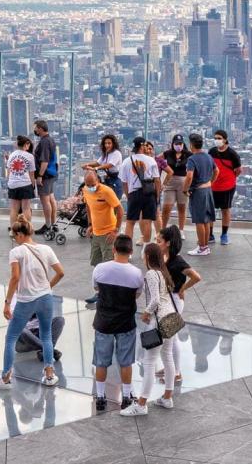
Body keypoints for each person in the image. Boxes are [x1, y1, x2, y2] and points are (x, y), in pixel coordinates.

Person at [0, 223, 63, 391]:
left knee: (11, 338)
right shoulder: (46, 249)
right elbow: (61, 272)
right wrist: (47, 287)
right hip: (45, 298)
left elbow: (15, 277)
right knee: (46, 335)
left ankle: (6, 377)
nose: (14, 239)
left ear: (20, 234)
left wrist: (7, 303)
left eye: (14, 236)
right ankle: (49, 374)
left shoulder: (16, 252)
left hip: (26, 299)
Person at [120, 243, 177, 416]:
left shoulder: (152, 273)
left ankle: (142, 404)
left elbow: (155, 300)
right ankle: (167, 397)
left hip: (159, 320)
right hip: (172, 317)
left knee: (149, 361)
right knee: (167, 357)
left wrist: (146, 312)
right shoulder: (163, 271)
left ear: (147, 256)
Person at [91, 234, 143, 412]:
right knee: (126, 362)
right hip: (126, 323)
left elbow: (96, 289)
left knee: (101, 361)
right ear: (131, 251)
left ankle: (100, 396)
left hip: (103, 322)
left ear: (113, 249)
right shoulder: (136, 273)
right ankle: (127, 396)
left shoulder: (100, 268)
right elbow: (137, 294)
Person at [157, 225, 200, 385]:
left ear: (168, 243)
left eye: (159, 241)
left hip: (174, 302)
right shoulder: (165, 257)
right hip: (168, 301)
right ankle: (173, 369)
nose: (157, 243)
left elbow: (196, 277)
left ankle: (175, 373)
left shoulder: (178, 261)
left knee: (170, 339)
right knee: (172, 339)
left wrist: (183, 288)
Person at [82, 171, 124, 303]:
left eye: (92, 184)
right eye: (88, 184)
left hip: (108, 233)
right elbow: (88, 207)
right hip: (96, 233)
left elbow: (120, 209)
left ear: (98, 181)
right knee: (97, 264)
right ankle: (100, 293)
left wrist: (115, 230)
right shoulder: (85, 190)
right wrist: (90, 225)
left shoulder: (107, 191)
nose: (90, 187)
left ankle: (110, 295)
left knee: (109, 265)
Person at [118, 137, 160, 246]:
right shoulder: (151, 160)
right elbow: (157, 180)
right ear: (142, 146)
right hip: (149, 193)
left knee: (130, 222)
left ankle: (128, 249)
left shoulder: (126, 161)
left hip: (133, 193)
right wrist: (158, 195)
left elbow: (124, 182)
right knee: (147, 221)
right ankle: (146, 247)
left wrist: (128, 196)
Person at [183, 134, 217, 256]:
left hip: (198, 192)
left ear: (191, 145)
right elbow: (216, 171)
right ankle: (205, 246)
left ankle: (202, 247)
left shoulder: (192, 159)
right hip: (208, 190)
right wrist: (210, 182)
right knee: (206, 220)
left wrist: (185, 189)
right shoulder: (208, 156)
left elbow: (189, 176)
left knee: (199, 221)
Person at [208, 130, 242, 246]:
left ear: (225, 139)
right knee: (210, 210)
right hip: (213, 186)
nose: (217, 140)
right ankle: (210, 234)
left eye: (219, 138)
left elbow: (238, 170)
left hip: (227, 187)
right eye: (215, 138)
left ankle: (224, 234)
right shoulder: (212, 152)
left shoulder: (232, 154)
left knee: (225, 210)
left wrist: (229, 178)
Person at [33, 121, 60, 237]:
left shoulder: (44, 142)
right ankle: (54, 224)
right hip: (52, 173)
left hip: (46, 175)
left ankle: (48, 225)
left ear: (40, 128)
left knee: (45, 200)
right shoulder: (50, 139)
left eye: (35, 128)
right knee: (51, 198)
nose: (35, 130)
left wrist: (39, 176)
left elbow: (44, 161)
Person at [4, 135, 37, 230]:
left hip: (13, 184)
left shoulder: (12, 155)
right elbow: (32, 174)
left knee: (14, 208)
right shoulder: (30, 156)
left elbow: (9, 172)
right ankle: (26, 229)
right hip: (25, 184)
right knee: (26, 208)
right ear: (26, 144)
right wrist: (33, 185)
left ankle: (13, 230)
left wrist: (10, 181)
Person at [159, 134, 190, 230]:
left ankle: (181, 230)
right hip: (170, 182)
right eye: (176, 144)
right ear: (173, 144)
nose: (178, 146)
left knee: (182, 207)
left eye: (180, 144)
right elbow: (157, 159)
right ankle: (163, 229)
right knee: (166, 207)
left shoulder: (188, 154)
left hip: (183, 182)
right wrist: (164, 168)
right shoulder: (168, 153)